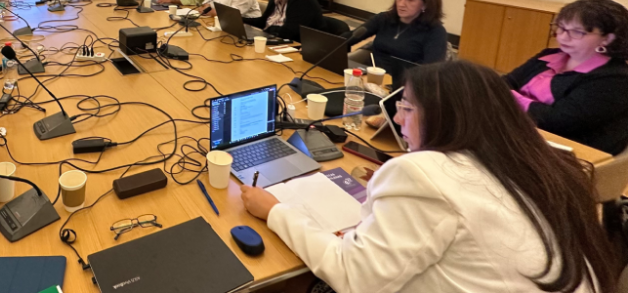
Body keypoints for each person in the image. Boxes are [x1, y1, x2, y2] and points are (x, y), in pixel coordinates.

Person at [240, 60, 616, 293]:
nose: (397, 118)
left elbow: (354, 279)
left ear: (446, 117)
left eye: (406, 107)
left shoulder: (422, 174)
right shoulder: (543, 164)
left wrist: (275, 210)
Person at [505, 0, 628, 155]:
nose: (562, 37)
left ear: (608, 38)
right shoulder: (548, 55)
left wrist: (508, 97)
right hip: (525, 131)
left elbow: (558, 122)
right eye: (561, 28)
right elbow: (504, 82)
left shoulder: (615, 78)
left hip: (572, 151)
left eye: (577, 32)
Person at [346, 0, 448, 67]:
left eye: (410, 0)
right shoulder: (385, 18)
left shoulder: (435, 32)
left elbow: (431, 72)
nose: (401, 4)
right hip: (373, 75)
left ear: (425, 5)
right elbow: (347, 39)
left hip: (406, 80)